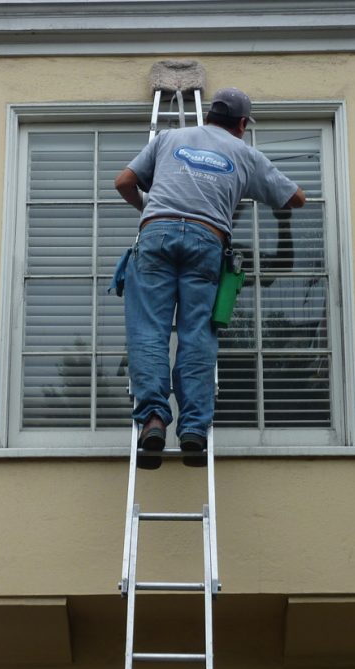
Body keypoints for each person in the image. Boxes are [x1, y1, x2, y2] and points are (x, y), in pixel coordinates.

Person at [114, 86, 306, 469]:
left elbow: (123, 182)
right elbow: (296, 199)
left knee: (149, 331)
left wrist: (149, 207)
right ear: (240, 124)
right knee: (197, 334)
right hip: (207, 241)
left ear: (208, 117)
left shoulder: (169, 138)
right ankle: (193, 431)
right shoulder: (245, 154)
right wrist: (244, 189)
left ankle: (152, 419)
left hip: (157, 234)